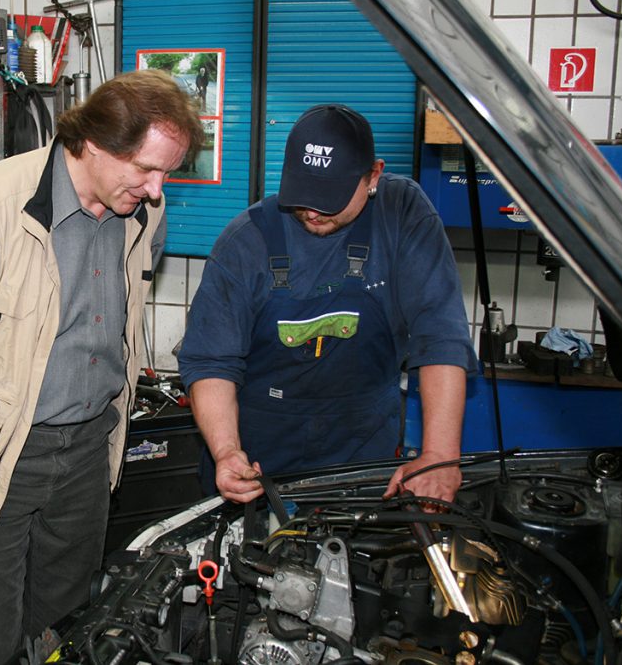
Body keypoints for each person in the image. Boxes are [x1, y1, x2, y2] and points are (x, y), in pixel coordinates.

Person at [0, 69, 203, 665]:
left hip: (89, 451)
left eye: (167, 173)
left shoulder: (140, 215)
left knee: (66, 628)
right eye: (146, 169)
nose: (158, 191)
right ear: (96, 143)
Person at [178, 104, 477, 507]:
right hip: (262, 459)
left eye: (329, 198)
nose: (314, 211)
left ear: (373, 175)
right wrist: (227, 452)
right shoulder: (246, 241)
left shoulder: (401, 214)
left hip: (364, 457)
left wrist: (440, 456)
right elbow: (211, 361)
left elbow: (441, 333)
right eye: (303, 195)